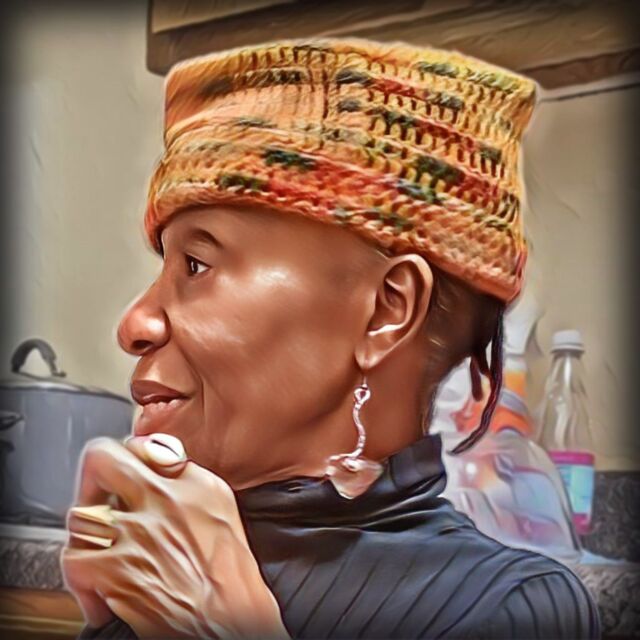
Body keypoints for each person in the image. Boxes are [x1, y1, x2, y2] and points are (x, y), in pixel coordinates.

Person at [62, 39, 601, 639]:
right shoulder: (155, 566)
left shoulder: (511, 609)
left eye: (196, 265)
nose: (135, 323)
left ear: (386, 310)